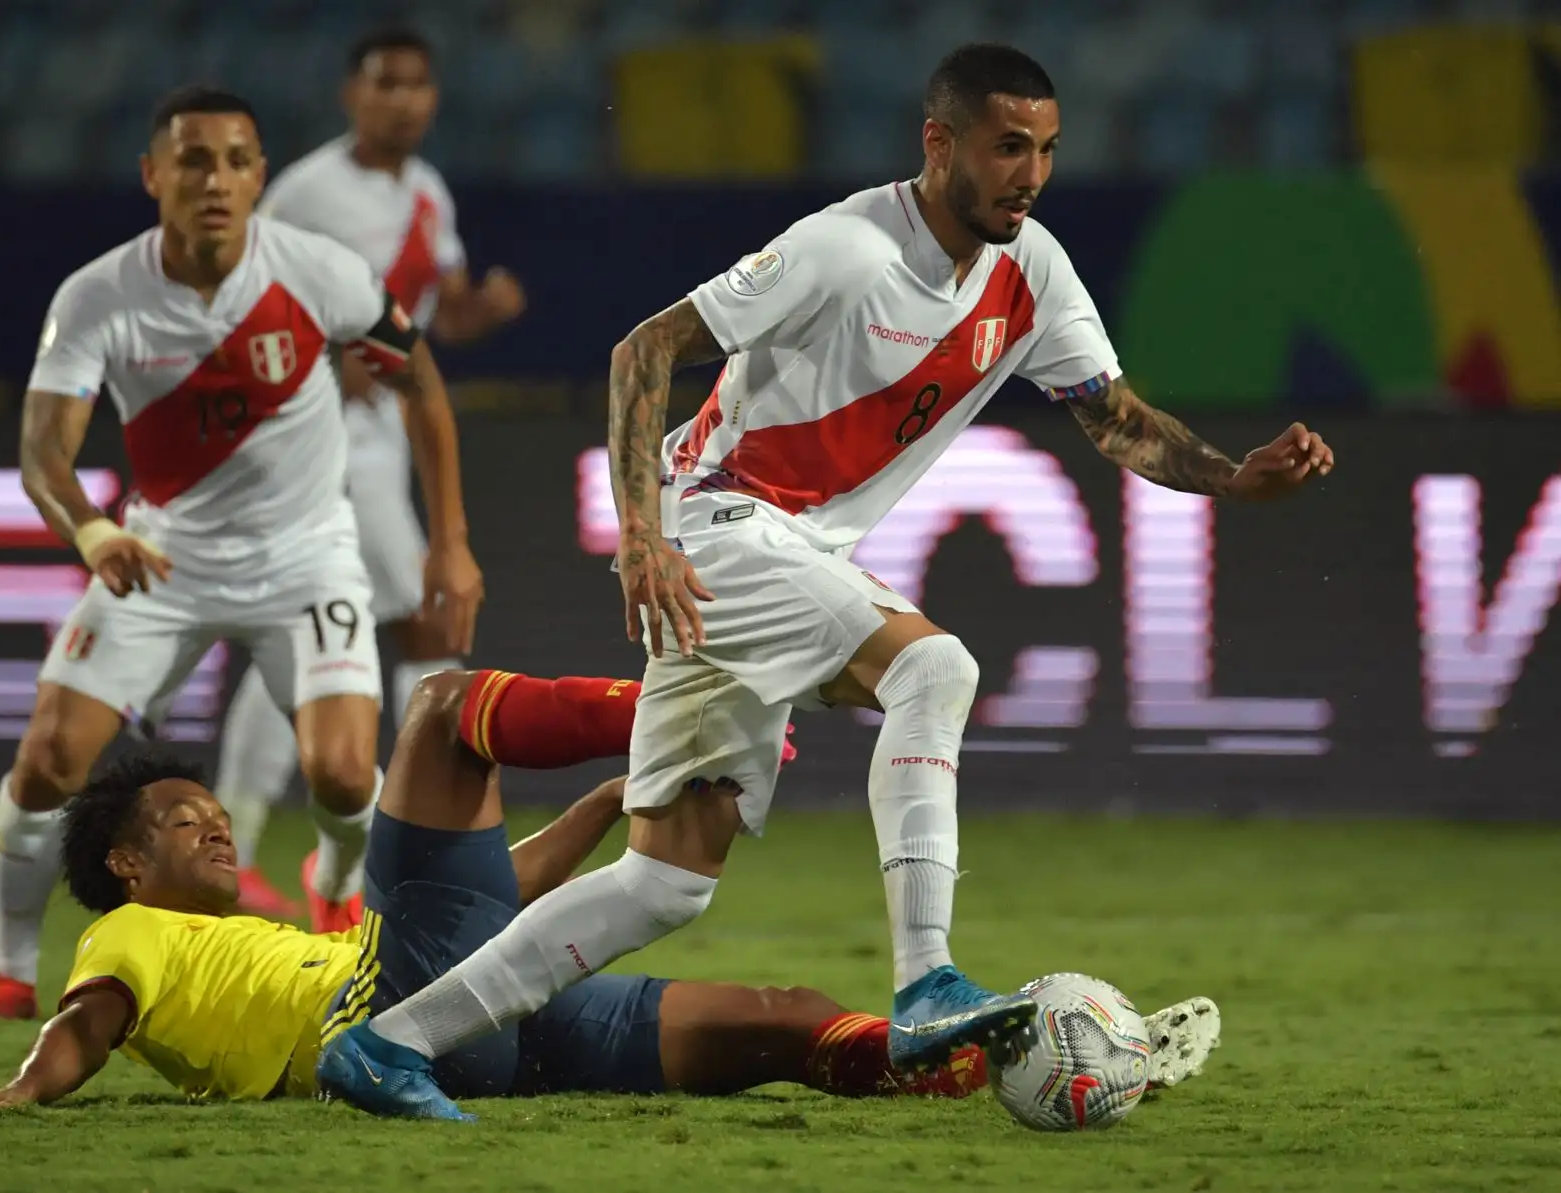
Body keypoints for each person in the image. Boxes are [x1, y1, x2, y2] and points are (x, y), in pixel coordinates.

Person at [332, 43, 1329, 1119]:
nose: (1029, 174)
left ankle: (388, 1044)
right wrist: (641, 534)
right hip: (717, 525)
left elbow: (1115, 418)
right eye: (1006, 148)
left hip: (781, 552)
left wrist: (1233, 479)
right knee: (935, 669)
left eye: (1044, 150)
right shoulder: (845, 247)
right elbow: (643, 350)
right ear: (938, 142)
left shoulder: (1032, 270)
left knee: (665, 879)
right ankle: (926, 977)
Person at [0, 668, 1220, 1114]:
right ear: (123, 861)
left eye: (218, 811)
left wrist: (604, 809)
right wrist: (21, 1089)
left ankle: (972, 1061)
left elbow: (480, 911)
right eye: (185, 820)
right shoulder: (129, 931)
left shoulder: (270, 938)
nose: (217, 827)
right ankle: (684, 712)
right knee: (443, 710)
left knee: (776, 1014)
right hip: (390, 1015)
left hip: (465, 1018)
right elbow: (88, 1020)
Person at [0, 83, 484, 1021]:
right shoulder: (99, 295)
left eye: (238, 160)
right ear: (154, 174)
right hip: (159, 559)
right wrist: (92, 528)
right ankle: (4, 969)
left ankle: (334, 879)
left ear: (259, 178)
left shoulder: (319, 272)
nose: (217, 179)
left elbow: (423, 384)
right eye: (194, 159)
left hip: (309, 559)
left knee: (343, 773)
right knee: (47, 760)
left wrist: (451, 540)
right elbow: (44, 451)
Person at [212, 27, 526, 919]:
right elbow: (244, 309)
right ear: (353, 94)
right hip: (315, 436)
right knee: (426, 618)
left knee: (311, 633)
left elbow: (436, 318)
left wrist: (483, 310)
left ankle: (314, 856)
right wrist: (316, 362)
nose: (404, 99)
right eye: (386, 83)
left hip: (385, 437)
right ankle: (413, 838)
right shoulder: (308, 191)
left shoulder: (426, 192)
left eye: (419, 84)